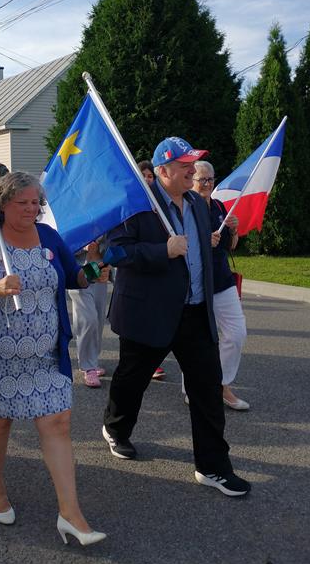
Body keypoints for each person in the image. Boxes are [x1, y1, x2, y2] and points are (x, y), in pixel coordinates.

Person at [0, 172, 106, 545]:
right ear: (1, 205)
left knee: (58, 423)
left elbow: (71, 276)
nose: (33, 209)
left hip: (46, 356)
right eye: (24, 203)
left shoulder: (47, 236)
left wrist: (94, 269)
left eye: (36, 203)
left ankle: (71, 514)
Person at [102, 136, 251, 497]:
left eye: (193, 164)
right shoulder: (136, 205)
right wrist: (161, 250)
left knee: (206, 389)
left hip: (195, 312)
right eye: (184, 165)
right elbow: (114, 252)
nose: (192, 170)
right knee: (132, 379)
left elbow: (200, 254)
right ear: (162, 170)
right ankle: (116, 429)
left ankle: (213, 467)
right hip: (149, 313)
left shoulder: (198, 206)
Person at [192, 160, 249, 410]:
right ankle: (192, 387)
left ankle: (222, 384)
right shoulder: (185, 207)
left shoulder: (218, 206)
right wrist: (204, 241)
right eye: (202, 180)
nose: (207, 184)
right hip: (196, 282)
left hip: (222, 279)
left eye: (210, 179)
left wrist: (234, 232)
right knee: (197, 339)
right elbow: (180, 244)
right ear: (191, 181)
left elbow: (230, 246)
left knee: (236, 333)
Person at [68, 238, 110, 388]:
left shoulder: (102, 217)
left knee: (98, 319)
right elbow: (65, 242)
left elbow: (113, 241)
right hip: (80, 270)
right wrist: (83, 247)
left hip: (101, 269)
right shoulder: (73, 217)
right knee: (88, 319)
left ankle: (93, 359)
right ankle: (88, 367)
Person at [137, 160, 165, 380]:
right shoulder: (132, 204)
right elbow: (121, 249)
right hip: (135, 278)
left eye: (150, 176)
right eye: (143, 175)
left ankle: (154, 362)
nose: (147, 179)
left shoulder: (164, 205)